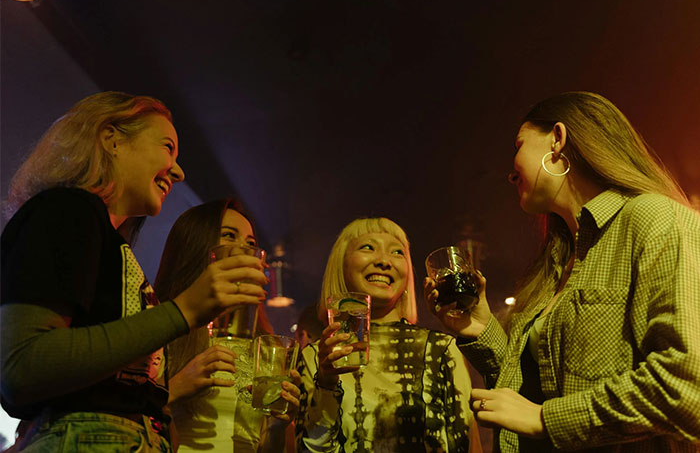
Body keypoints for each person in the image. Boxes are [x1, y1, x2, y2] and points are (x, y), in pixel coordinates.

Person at [425, 91, 700, 452]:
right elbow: (536, 389)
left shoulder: (654, 219)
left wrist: (547, 419)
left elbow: (686, 386)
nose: (510, 173)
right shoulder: (558, 261)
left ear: (557, 139)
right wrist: (479, 329)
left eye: (519, 146)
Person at [0, 92, 267, 452]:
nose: (179, 171)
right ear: (112, 139)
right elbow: (22, 367)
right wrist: (184, 310)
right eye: (167, 147)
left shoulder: (113, 245)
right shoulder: (67, 209)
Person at [296, 217, 478, 452]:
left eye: (397, 252)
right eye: (368, 247)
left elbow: (469, 445)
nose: (384, 261)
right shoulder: (314, 357)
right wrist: (327, 384)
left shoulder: (440, 348)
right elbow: (311, 448)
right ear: (341, 265)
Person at [154, 198, 302, 452]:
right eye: (229, 236)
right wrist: (174, 388)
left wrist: (277, 427)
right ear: (196, 246)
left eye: (251, 243)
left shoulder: (267, 348)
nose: (244, 249)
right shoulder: (161, 330)